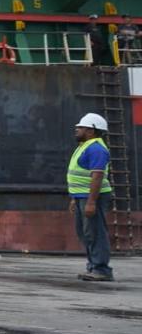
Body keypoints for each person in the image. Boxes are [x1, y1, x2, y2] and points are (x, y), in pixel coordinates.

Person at [68, 113, 115, 282]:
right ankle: (93, 266)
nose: (77, 130)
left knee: (95, 232)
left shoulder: (96, 148)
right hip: (82, 197)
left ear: (91, 130)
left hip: (93, 197)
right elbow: (81, 176)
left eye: (80, 128)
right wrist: (74, 198)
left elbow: (97, 177)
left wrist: (91, 202)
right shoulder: (85, 146)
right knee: (86, 233)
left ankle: (102, 269)